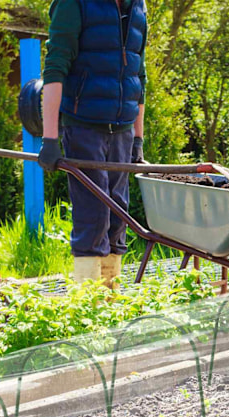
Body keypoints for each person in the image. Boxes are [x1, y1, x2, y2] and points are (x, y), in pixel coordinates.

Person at [38, 0, 148, 288]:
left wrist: (138, 138)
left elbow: (139, 73)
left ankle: (111, 295)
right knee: (93, 216)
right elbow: (55, 69)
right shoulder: (74, 4)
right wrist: (50, 138)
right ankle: (88, 302)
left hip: (123, 129)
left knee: (118, 216)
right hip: (84, 125)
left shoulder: (138, 7)